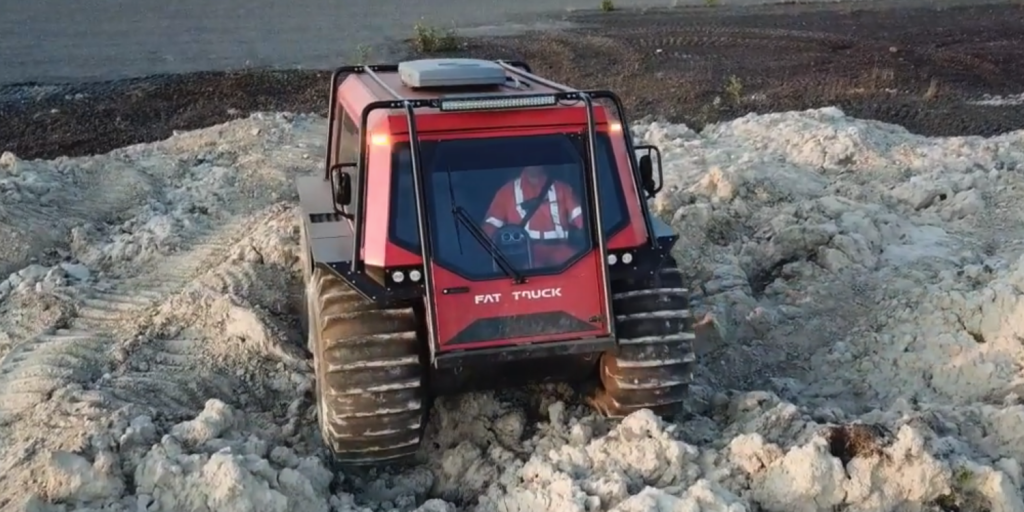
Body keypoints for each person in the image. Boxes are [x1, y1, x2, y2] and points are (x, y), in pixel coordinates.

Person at [481, 165, 585, 268]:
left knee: (581, 266)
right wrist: (485, 251)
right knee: (530, 271)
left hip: (560, 250)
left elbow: (582, 219)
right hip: (526, 253)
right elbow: (491, 227)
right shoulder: (506, 192)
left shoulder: (563, 189)